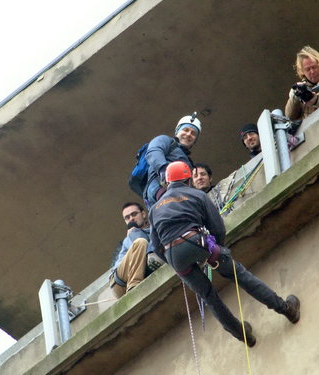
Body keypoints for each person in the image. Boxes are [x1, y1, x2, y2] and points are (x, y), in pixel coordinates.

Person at [149, 161, 300, 346]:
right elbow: (217, 227)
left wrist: (176, 261)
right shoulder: (196, 195)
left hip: (174, 256)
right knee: (240, 275)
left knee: (208, 296)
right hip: (196, 241)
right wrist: (218, 252)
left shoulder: (154, 209)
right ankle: (286, 310)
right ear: (188, 179)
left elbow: (156, 247)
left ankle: (242, 335)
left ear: (168, 182)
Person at [144, 112, 201, 207]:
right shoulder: (165, 140)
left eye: (193, 133)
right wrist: (164, 170)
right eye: (185, 130)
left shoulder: (188, 161)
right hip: (160, 187)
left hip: (176, 193)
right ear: (177, 131)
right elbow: (153, 151)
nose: (188, 134)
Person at [109, 202, 164, 298]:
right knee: (141, 242)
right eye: (127, 217)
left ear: (143, 214)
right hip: (120, 282)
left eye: (134, 214)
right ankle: (133, 287)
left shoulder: (155, 229)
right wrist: (134, 232)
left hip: (141, 274)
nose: (131, 219)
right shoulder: (127, 239)